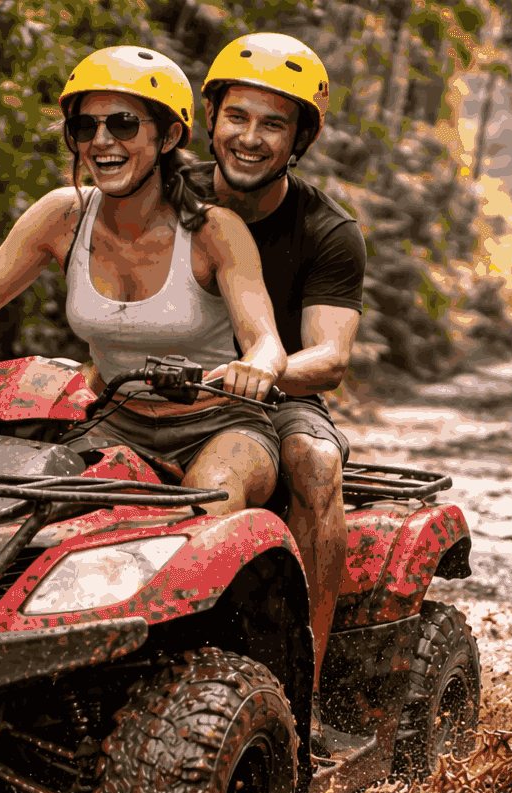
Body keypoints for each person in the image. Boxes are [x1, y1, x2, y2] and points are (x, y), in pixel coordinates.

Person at [0, 46, 286, 515]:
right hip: (111, 419)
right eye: (86, 127)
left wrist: (257, 367)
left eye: (123, 124)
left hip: (221, 425)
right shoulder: (63, 214)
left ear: (169, 137)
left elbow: (264, 339)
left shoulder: (214, 229)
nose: (101, 140)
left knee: (208, 499)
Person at [190, 33, 367, 710]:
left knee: (315, 460)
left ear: (299, 139)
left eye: (274, 124)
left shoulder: (328, 229)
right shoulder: (163, 200)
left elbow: (331, 356)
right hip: (150, 387)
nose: (250, 138)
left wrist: (258, 371)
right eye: (238, 117)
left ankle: (305, 689)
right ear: (212, 119)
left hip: (273, 394)